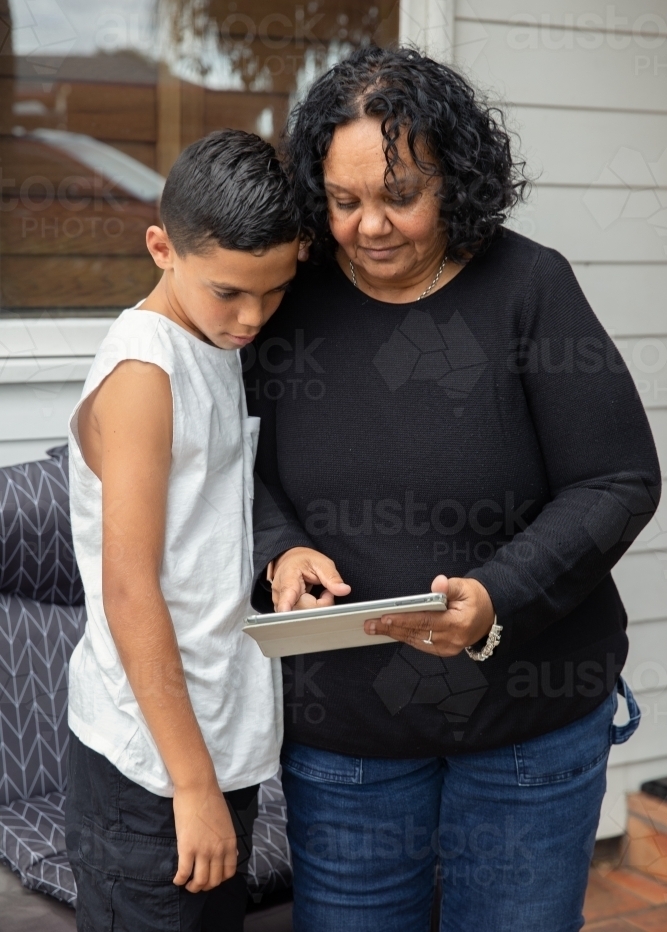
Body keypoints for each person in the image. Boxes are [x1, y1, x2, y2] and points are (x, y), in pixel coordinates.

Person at [245, 48, 661, 932]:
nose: (370, 227)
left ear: (458, 177)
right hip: (346, 733)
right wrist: (278, 547)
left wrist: (494, 597)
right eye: (344, 200)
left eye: (401, 195)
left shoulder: (528, 287)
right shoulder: (286, 297)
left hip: (526, 725)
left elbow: (616, 478)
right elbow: (235, 466)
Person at [65, 130, 300, 932]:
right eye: (230, 292)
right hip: (152, 771)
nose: (252, 318)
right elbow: (130, 592)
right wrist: (193, 785)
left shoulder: (209, 341)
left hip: (206, 741)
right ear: (161, 248)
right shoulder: (144, 376)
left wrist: (284, 549)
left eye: (273, 292)